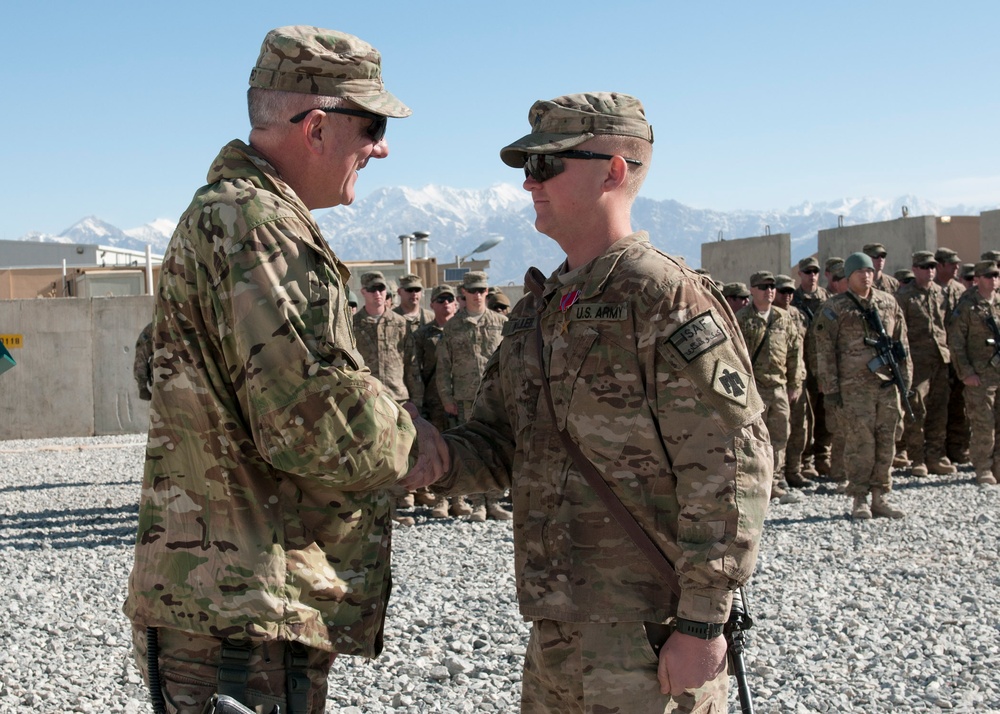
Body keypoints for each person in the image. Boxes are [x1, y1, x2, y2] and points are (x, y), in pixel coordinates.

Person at [123, 26, 446, 714]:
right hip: (239, 613)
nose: (381, 146)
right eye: (373, 125)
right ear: (318, 127)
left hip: (233, 602)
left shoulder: (238, 216)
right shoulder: (255, 221)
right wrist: (418, 445)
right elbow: (309, 418)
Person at [430, 92, 772, 713]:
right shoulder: (539, 310)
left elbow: (731, 464)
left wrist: (701, 624)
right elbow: (495, 443)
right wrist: (406, 452)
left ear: (613, 170)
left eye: (547, 165)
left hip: (649, 633)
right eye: (525, 169)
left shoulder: (663, 297)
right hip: (558, 626)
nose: (529, 183)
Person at [813, 252, 912, 519]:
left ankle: (880, 495)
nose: (866, 275)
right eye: (860, 272)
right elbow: (824, 352)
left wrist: (905, 381)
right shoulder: (835, 308)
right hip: (853, 389)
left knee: (886, 442)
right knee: (859, 444)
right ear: (848, 276)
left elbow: (901, 345)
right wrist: (831, 390)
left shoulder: (888, 303)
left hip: (887, 386)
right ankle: (859, 498)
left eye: (869, 271)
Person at [437, 270, 512, 522]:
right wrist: (447, 397)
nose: (478, 295)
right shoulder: (453, 326)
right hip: (464, 397)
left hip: (494, 398)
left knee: (495, 448)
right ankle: (477, 503)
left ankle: (494, 502)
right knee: (471, 449)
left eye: (482, 290)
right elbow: (444, 366)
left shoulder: (500, 323)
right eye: (473, 291)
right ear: (464, 294)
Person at [353, 270, 424, 526]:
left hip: (398, 396)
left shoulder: (399, 324)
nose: (377, 294)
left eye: (381, 289)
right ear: (363, 292)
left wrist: (417, 398)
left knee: (401, 449)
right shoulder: (353, 325)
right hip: (368, 398)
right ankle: (379, 505)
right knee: (372, 450)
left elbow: (411, 365)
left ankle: (400, 502)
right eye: (372, 289)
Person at [736, 271, 805, 502]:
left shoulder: (782, 318)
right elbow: (734, 355)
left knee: (779, 436)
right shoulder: (741, 319)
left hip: (779, 388)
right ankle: (755, 483)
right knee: (754, 439)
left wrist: (795, 383)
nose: (770, 291)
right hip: (753, 389)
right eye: (763, 287)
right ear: (752, 290)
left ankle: (774, 482)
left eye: (772, 286)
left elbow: (795, 351)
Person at [895, 252, 954, 477]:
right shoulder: (904, 296)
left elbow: (946, 324)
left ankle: (935, 455)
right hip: (917, 363)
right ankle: (917, 458)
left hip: (940, 359)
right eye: (924, 267)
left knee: (940, 410)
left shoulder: (940, 293)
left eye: (932, 266)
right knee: (916, 411)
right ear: (915, 269)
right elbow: (899, 332)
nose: (930, 270)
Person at [946, 260, 1000, 485]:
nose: (994, 279)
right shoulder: (967, 305)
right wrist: (966, 373)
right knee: (982, 423)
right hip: (980, 375)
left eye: (996, 275)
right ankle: (983, 467)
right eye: (988, 276)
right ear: (977, 279)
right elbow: (956, 342)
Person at [413, 284, 461, 517]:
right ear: (432, 304)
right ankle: (441, 499)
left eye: (449, 299)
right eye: (440, 300)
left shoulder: (462, 329)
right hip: (435, 402)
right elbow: (416, 369)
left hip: (462, 398)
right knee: (438, 451)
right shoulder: (423, 335)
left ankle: (460, 498)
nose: (445, 304)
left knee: (460, 448)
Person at [774, 274, 815, 490]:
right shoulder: (769, 316)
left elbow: (806, 348)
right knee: (778, 432)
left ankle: (794, 470)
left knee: (801, 427)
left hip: (797, 380)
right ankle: (777, 474)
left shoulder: (798, 316)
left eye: (790, 292)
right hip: (774, 383)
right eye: (783, 291)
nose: (787, 296)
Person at [792, 256, 831, 479]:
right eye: (808, 272)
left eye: (815, 271)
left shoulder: (827, 299)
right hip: (804, 365)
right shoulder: (794, 299)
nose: (812, 276)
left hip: (824, 365)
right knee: (805, 416)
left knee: (825, 413)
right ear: (800, 274)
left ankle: (823, 455)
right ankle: (805, 460)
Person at [936, 247, 971, 466]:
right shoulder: (932, 291)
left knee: (959, 404)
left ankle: (957, 447)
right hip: (937, 356)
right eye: (951, 264)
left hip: (959, 355)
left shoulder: (960, 290)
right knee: (938, 406)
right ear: (940, 265)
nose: (956, 267)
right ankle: (936, 450)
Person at [133, 321, 154, 401]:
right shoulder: (156, 326)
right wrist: (142, 386)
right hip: (164, 384)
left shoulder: (193, 319)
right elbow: (142, 353)